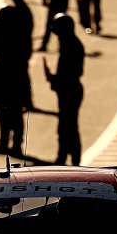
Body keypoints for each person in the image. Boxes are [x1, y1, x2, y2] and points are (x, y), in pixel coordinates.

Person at [0, 0, 35, 154]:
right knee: (5, 110)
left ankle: (15, 143)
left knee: (14, 110)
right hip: (10, 71)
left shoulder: (20, 14)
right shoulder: (18, 13)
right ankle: (5, 141)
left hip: (15, 70)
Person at [42, 14, 84, 165]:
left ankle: (71, 159)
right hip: (68, 89)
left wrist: (54, 79)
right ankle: (65, 157)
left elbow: (72, 73)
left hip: (70, 91)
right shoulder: (69, 44)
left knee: (68, 126)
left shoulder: (71, 46)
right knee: (66, 126)